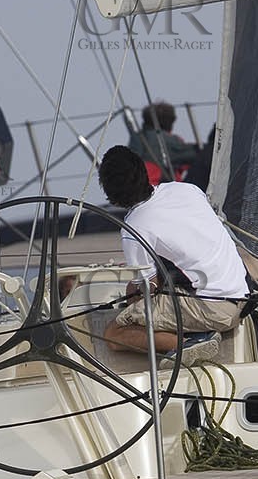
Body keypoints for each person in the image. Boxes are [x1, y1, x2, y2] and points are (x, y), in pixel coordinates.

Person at [98, 146, 247, 366]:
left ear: (111, 193)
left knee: (113, 333)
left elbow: (145, 290)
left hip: (215, 310)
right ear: (143, 171)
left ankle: (187, 343)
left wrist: (131, 298)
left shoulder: (134, 226)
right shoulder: (186, 189)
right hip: (242, 295)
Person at [128, 102, 201, 183]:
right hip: (160, 190)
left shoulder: (137, 138)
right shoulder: (170, 141)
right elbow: (192, 154)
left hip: (136, 189)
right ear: (170, 123)